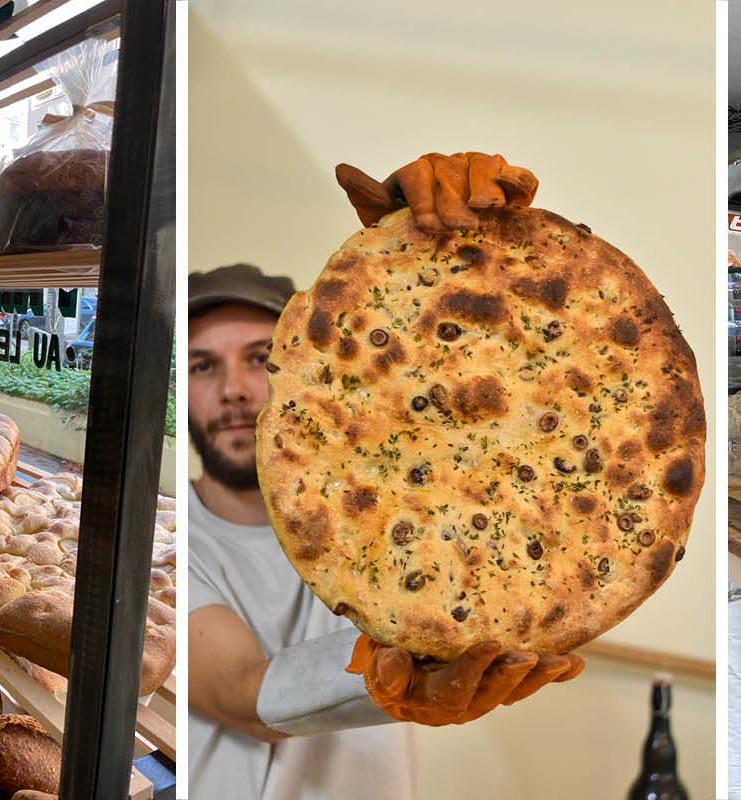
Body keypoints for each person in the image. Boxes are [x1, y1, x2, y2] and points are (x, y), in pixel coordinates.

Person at [186, 153, 582, 800]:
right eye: (203, 366)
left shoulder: (408, 500)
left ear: (308, 368)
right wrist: (387, 673)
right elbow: (239, 691)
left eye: (260, 358)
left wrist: (442, 255)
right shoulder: (177, 539)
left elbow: (498, 400)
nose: (233, 389)